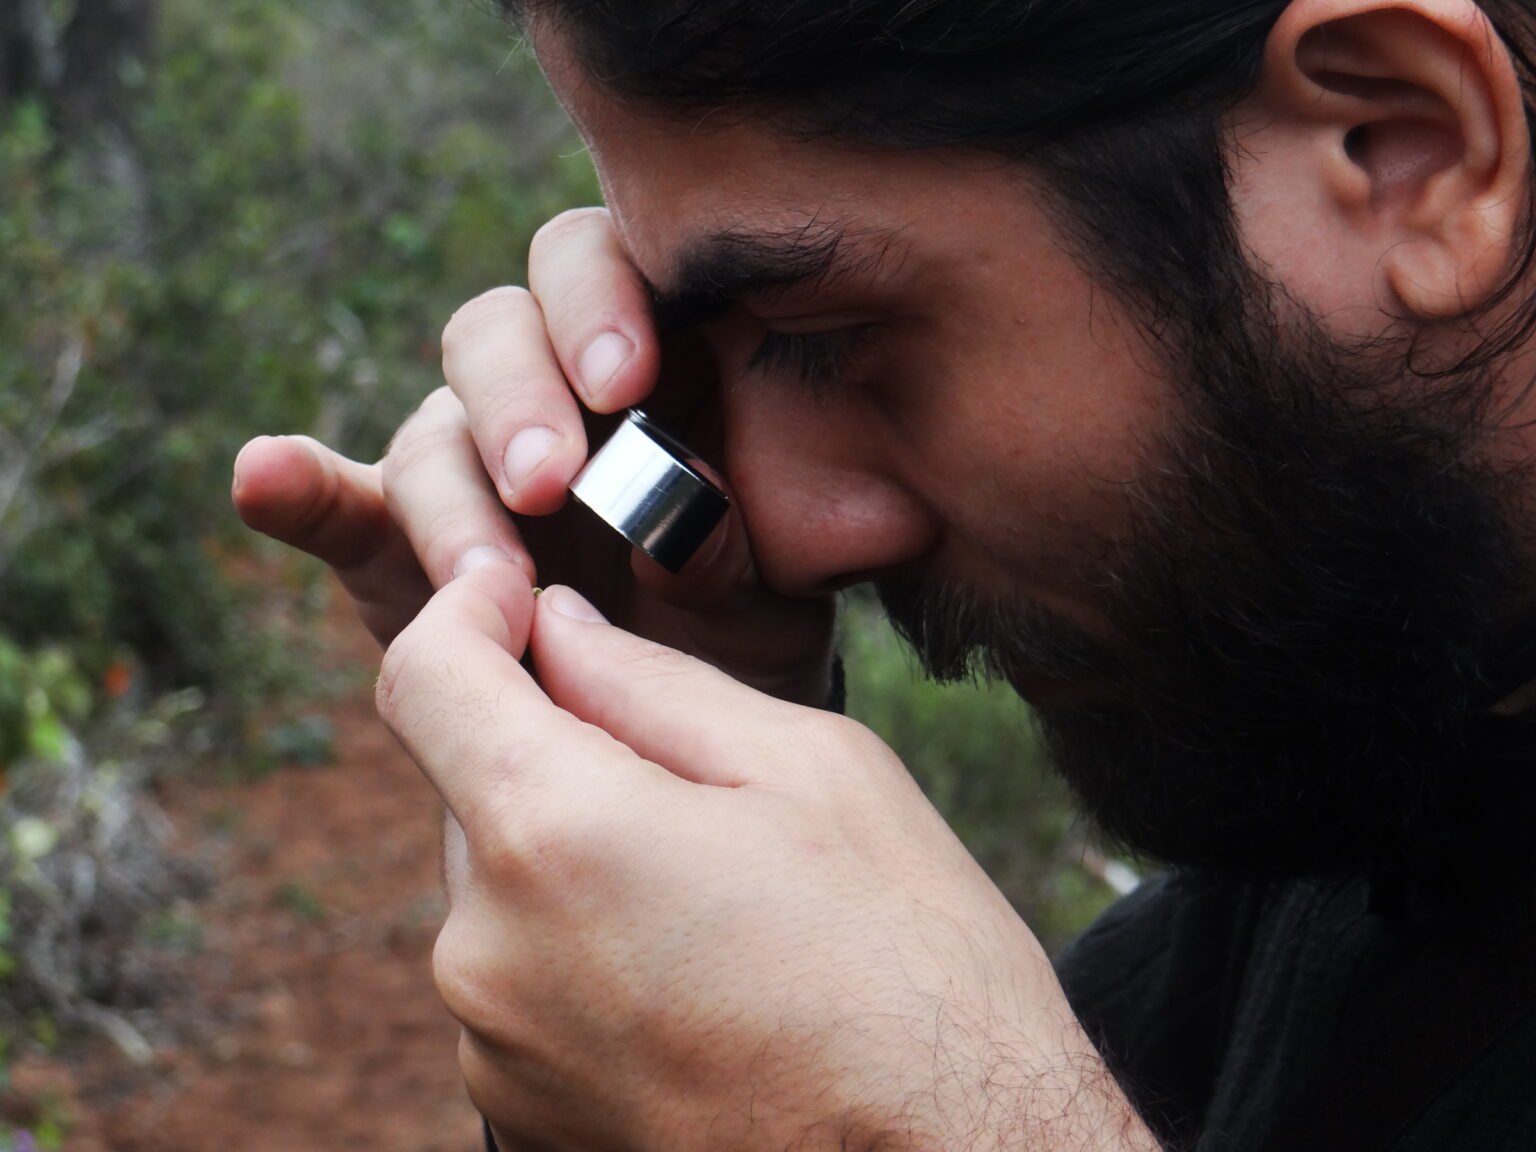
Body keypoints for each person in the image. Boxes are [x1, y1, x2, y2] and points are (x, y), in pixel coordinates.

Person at [231, 0, 1536, 1147]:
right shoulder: (1361, 795)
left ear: (1403, 143)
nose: (795, 537)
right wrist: (679, 971)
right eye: (713, 346)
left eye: (833, 334)